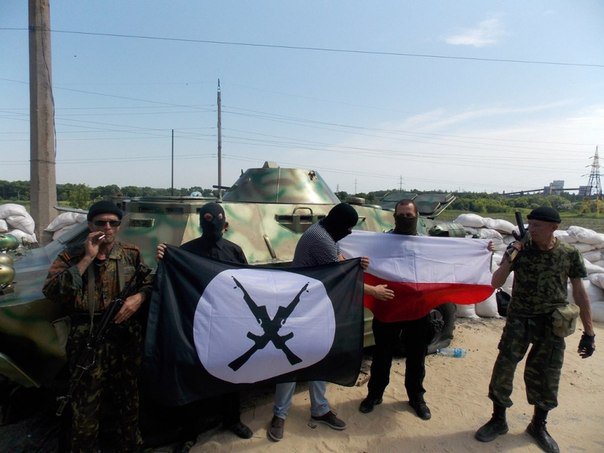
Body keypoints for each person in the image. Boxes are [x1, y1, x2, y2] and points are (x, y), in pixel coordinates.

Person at [267, 202, 393, 442]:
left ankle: (320, 409)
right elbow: (341, 278)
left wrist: (355, 263)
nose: (348, 233)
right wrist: (373, 291)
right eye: (347, 228)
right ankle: (280, 414)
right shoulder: (319, 238)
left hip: (319, 307)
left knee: (321, 357)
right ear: (338, 224)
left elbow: (339, 259)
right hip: (302, 308)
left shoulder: (326, 231)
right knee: (290, 361)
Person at [475, 206, 596, 453]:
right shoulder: (520, 250)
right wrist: (512, 254)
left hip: (552, 323)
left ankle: (538, 425)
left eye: (538, 225)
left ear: (554, 227)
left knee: (547, 374)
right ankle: (498, 420)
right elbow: (496, 282)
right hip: (519, 319)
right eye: (530, 224)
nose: (532, 230)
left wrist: (589, 332)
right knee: (504, 368)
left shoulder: (568, 253)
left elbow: (581, 293)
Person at [43, 200, 153, 452]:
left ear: (118, 226)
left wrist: (140, 297)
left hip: (125, 338)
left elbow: (149, 280)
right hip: (89, 339)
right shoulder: (71, 256)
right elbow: (52, 291)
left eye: (113, 223)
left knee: (128, 399)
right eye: (100, 222)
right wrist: (87, 259)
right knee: (85, 406)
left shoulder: (130, 253)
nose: (107, 227)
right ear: (89, 225)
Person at [156, 202, 253, 439]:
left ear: (225, 223)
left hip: (228, 323)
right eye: (208, 220)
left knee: (231, 373)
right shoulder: (187, 251)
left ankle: (232, 419)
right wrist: (166, 258)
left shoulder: (234, 251)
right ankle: (190, 431)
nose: (213, 225)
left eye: (217, 220)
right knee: (195, 377)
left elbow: (247, 283)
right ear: (201, 223)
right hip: (199, 323)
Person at [359, 199, 434, 420]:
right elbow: (361, 257)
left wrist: (481, 249)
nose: (405, 218)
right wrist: (361, 261)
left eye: (409, 215)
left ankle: (416, 398)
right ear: (394, 216)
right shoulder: (382, 241)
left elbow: (448, 261)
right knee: (382, 356)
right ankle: (374, 395)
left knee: (416, 358)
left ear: (417, 216)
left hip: (417, 309)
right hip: (388, 307)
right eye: (401, 215)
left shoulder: (427, 244)